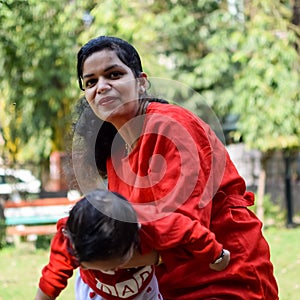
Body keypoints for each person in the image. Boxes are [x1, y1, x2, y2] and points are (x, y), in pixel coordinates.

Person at [38, 36, 278, 299]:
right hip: (165, 286)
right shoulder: (115, 151)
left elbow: (182, 235)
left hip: (225, 277)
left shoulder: (172, 128)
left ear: (141, 83)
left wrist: (86, 255)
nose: (102, 87)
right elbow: (122, 230)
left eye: (114, 74)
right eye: (91, 82)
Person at [35, 189, 163, 300]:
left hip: (144, 293)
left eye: (117, 265)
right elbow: (51, 282)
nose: (113, 271)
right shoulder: (69, 240)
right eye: (105, 269)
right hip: (95, 292)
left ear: (133, 242)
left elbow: (179, 237)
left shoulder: (148, 230)